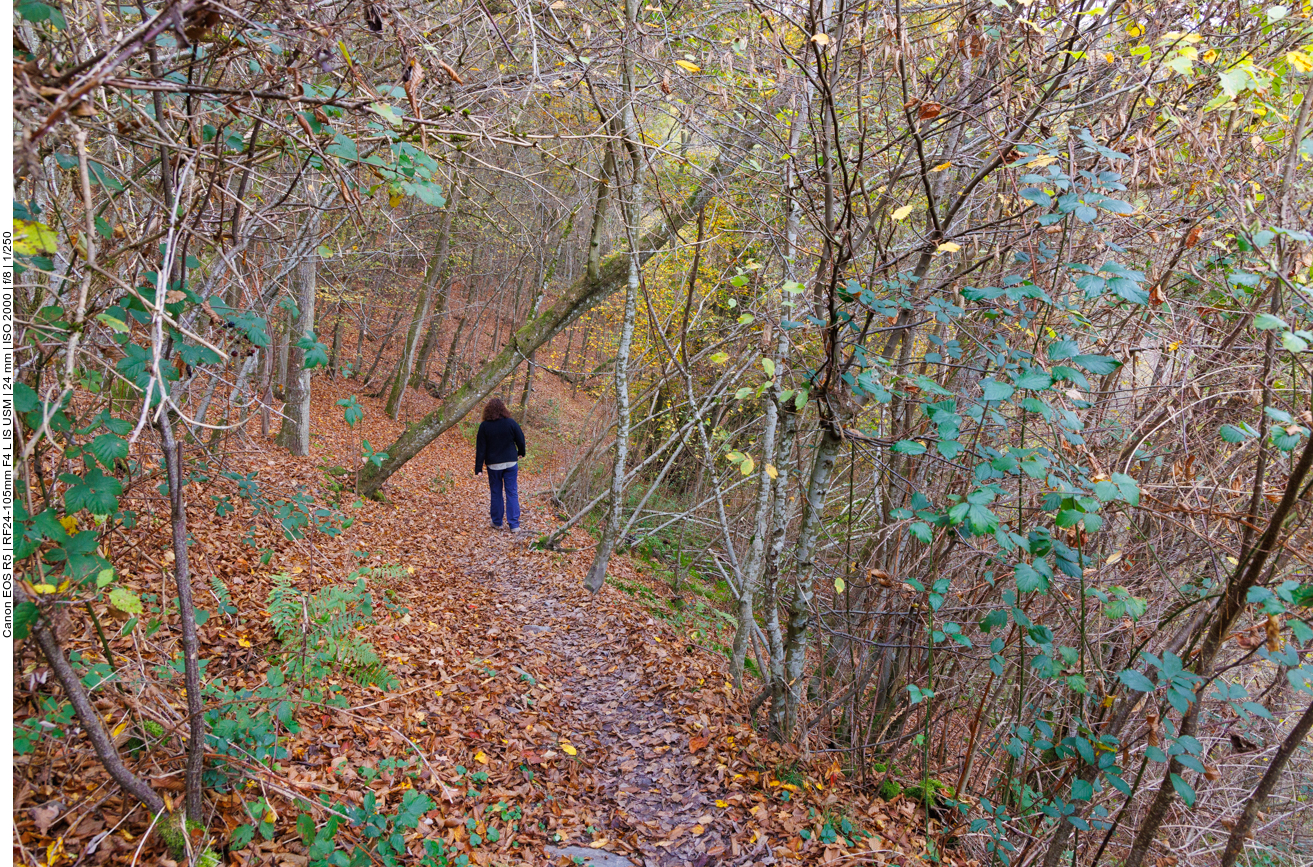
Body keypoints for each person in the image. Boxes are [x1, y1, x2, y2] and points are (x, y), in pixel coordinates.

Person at [474, 397, 526, 531]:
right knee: (512, 492)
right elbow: (520, 439)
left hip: (494, 465)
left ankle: (497, 522)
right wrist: (521, 452)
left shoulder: (484, 426)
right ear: (503, 409)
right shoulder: (511, 423)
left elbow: (481, 448)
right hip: (510, 463)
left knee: (496, 492)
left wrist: (478, 468)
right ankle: (514, 525)